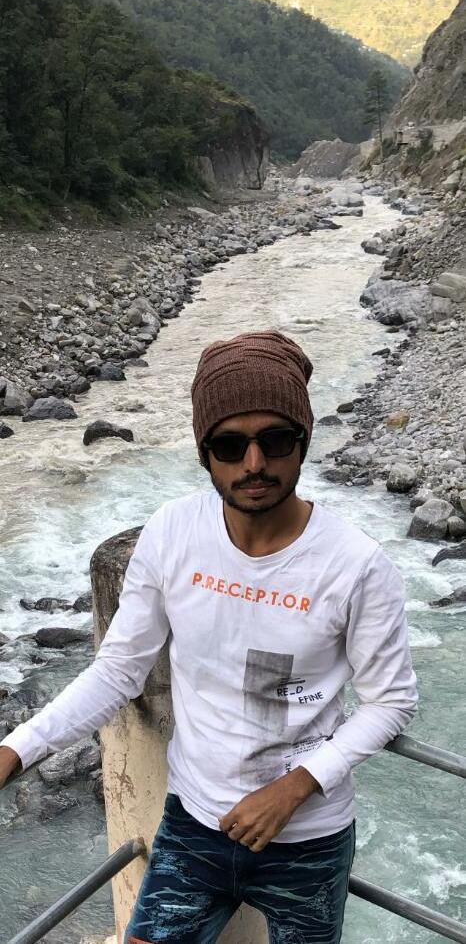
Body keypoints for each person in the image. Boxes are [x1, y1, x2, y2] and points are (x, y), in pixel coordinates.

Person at [0, 330, 417, 944]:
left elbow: (392, 703)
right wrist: (17, 749)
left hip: (307, 841)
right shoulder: (173, 533)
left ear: (303, 442)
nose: (255, 464)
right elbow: (118, 670)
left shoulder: (357, 566)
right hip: (192, 824)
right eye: (230, 444)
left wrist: (295, 788)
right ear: (204, 453)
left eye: (276, 440)